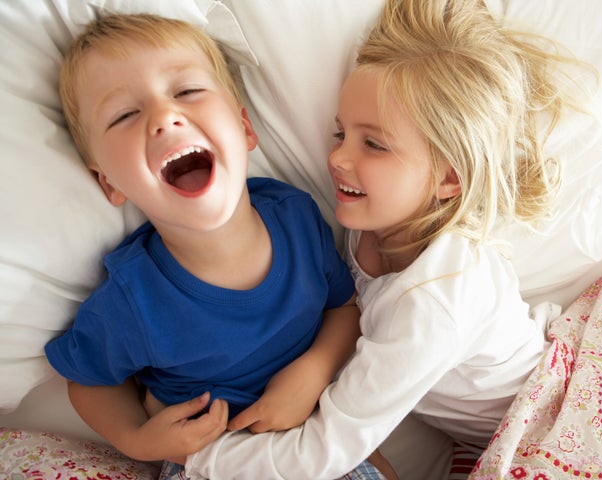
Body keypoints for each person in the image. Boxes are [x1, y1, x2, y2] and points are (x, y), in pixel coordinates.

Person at [43, 13, 394, 480]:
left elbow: (344, 308)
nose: (165, 117)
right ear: (109, 182)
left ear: (245, 129)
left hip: (314, 430)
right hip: (214, 461)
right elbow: (88, 381)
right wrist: (138, 440)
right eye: (126, 115)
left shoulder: (296, 216)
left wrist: (313, 371)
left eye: (187, 91)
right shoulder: (133, 299)